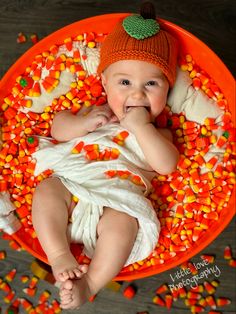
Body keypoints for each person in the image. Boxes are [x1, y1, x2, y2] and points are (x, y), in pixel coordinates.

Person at [32, 1, 179, 310]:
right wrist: (83, 123)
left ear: (167, 91)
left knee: (124, 223)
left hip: (117, 201)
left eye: (151, 84)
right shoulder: (95, 112)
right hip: (72, 188)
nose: (137, 94)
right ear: (105, 84)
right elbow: (58, 128)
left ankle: (92, 283)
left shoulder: (159, 134)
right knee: (46, 190)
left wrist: (142, 129)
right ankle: (59, 254)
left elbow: (166, 165)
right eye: (124, 82)